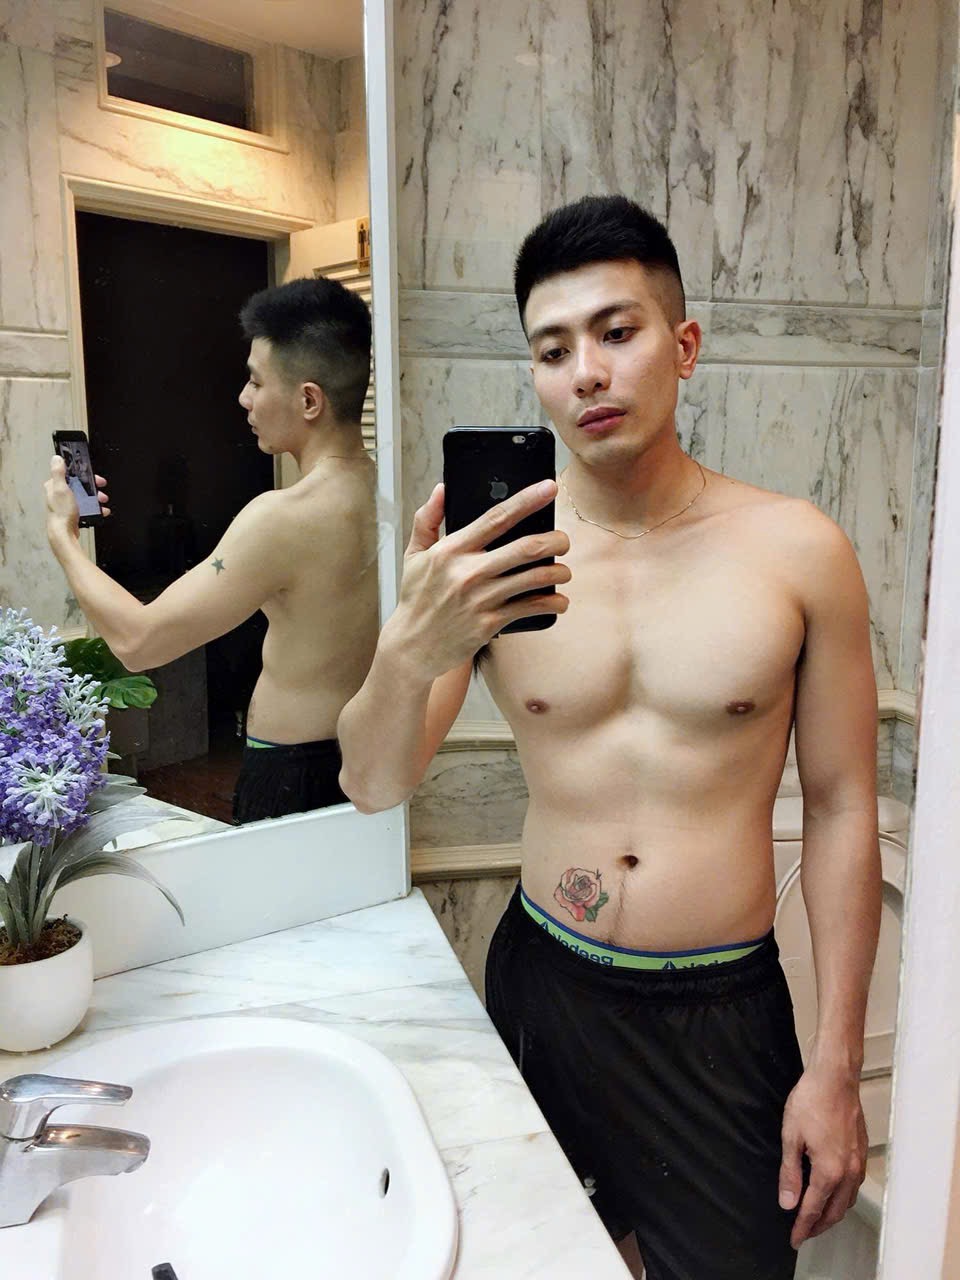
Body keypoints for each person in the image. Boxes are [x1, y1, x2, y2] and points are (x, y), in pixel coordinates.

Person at [337, 195, 881, 1279]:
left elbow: (841, 804)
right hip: (546, 986)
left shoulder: (798, 550)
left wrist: (835, 1068)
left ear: (683, 346)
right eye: (552, 350)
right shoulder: (491, 566)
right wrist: (410, 642)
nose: (586, 371)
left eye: (616, 332)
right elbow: (371, 780)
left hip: (719, 1010)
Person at [44, 276, 379, 824]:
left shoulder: (282, 516)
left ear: (309, 400)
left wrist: (63, 538)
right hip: (372, 764)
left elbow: (140, 641)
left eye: (255, 381)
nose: (244, 397)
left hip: (293, 776)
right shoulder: (393, 493)